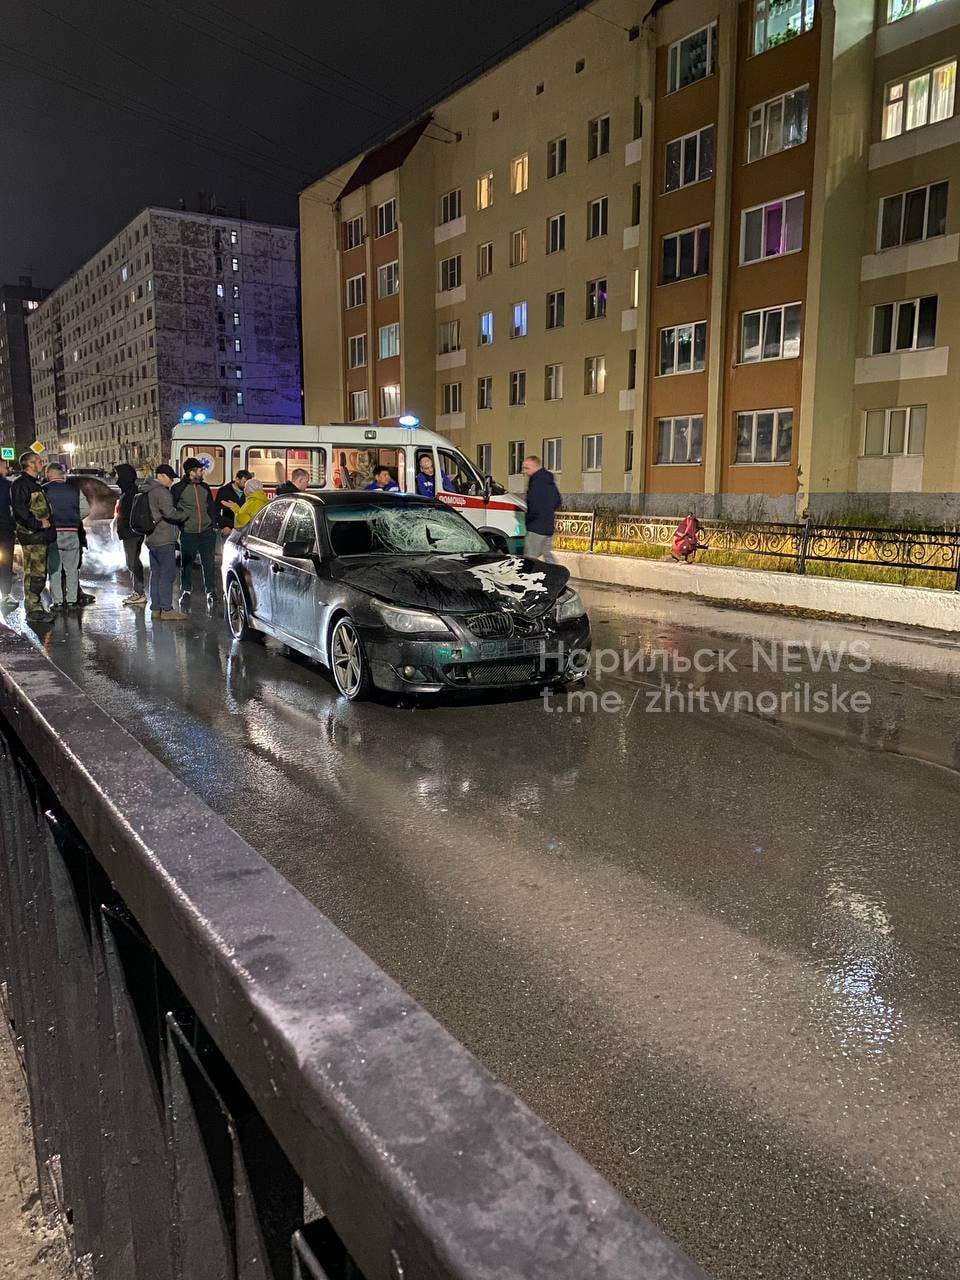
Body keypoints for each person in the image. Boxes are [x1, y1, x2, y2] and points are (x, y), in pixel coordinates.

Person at [11, 452, 56, 622]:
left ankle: (35, 607)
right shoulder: (21, 484)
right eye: (38, 461)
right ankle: (33, 610)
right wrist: (37, 524)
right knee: (34, 573)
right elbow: (20, 511)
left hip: (39, 536)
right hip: (32, 535)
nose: (42, 463)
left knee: (38, 572)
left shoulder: (32, 483)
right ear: (30, 464)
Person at [171, 457, 219, 607]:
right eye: (200, 470)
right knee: (187, 564)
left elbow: (210, 508)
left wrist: (213, 524)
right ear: (191, 472)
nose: (202, 472)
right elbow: (172, 509)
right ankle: (186, 591)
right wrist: (181, 525)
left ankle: (211, 591)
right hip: (188, 532)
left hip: (206, 532)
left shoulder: (204, 487)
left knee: (208, 563)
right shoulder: (178, 488)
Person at [43, 463, 90, 610]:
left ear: (49, 474)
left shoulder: (44, 489)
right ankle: (71, 601)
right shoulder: (74, 490)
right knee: (71, 569)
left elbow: (41, 510)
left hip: (53, 533)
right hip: (72, 532)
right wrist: (75, 520)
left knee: (55, 570)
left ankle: (57, 602)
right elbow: (86, 509)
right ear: (62, 474)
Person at [143, 464, 187, 621]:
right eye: (170, 478)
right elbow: (169, 513)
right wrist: (183, 515)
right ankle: (167, 609)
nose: (172, 481)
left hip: (152, 538)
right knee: (167, 574)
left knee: (156, 574)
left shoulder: (146, 489)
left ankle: (155, 609)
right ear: (161, 476)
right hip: (164, 537)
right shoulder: (161, 491)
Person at [114, 462, 147, 606]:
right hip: (129, 532)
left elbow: (130, 514)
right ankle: (137, 591)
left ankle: (139, 592)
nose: (117, 479)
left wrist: (127, 528)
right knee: (132, 561)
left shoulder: (131, 492)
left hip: (131, 533)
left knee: (132, 562)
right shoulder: (128, 491)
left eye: (119, 475)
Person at [521, 455, 561, 563]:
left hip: (536, 527)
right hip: (548, 525)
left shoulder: (535, 482)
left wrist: (529, 520)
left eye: (526, 468)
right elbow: (558, 501)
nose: (524, 471)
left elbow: (533, 504)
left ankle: (526, 578)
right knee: (547, 554)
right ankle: (556, 575)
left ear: (535, 466)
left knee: (530, 557)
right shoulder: (549, 481)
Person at [215, 468, 252, 537]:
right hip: (228, 529)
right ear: (237, 479)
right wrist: (223, 526)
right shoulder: (224, 491)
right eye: (244, 482)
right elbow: (216, 510)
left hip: (244, 529)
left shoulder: (249, 492)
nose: (246, 485)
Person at [0, 459, 15, 605]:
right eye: (4, 466)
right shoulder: (6, 486)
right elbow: (15, 508)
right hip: (4, 529)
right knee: (5, 562)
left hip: (5, 528)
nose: (7, 468)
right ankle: (5, 595)